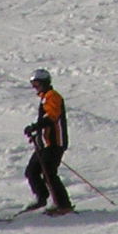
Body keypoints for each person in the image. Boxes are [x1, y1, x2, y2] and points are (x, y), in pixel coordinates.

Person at [23, 69, 74, 215]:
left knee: (49, 174)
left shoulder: (53, 96)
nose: (35, 87)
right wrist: (36, 132)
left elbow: (52, 117)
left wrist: (35, 126)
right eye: (33, 84)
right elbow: (46, 120)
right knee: (31, 172)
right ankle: (41, 199)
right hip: (44, 144)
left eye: (37, 84)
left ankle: (63, 205)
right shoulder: (45, 97)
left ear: (45, 82)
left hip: (54, 143)